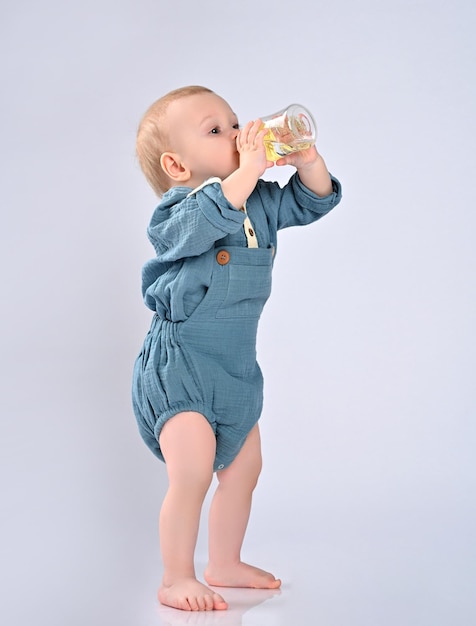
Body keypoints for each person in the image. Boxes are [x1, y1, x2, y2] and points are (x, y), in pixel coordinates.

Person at [132, 85, 342, 612]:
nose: (236, 133)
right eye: (216, 130)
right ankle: (175, 576)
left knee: (245, 469)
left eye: (232, 121)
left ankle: (224, 561)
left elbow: (312, 200)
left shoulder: (260, 200)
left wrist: (307, 159)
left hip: (234, 369)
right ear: (178, 166)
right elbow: (209, 218)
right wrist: (246, 170)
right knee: (193, 472)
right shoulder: (176, 212)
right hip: (181, 367)